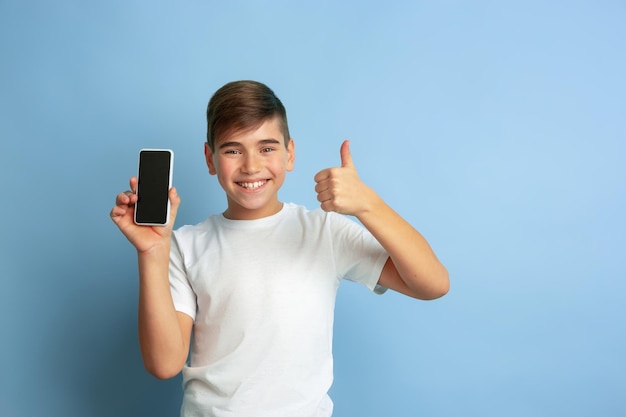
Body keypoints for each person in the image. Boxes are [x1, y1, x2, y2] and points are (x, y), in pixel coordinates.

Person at [110, 80, 449, 417]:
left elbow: (433, 283)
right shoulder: (185, 245)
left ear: (290, 154)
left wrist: (368, 206)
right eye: (232, 150)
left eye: (267, 148)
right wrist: (152, 253)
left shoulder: (324, 232)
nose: (251, 165)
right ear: (210, 159)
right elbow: (164, 363)